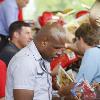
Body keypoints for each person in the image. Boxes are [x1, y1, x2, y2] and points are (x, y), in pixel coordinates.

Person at [5, 22, 68, 100]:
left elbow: (42, 94)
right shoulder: (25, 62)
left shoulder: (44, 56)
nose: (59, 53)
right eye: (57, 48)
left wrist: (62, 95)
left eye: (62, 49)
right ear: (44, 43)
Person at [0, 21, 33, 100]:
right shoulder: (12, 54)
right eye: (27, 33)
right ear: (16, 35)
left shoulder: (16, 51)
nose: (31, 37)